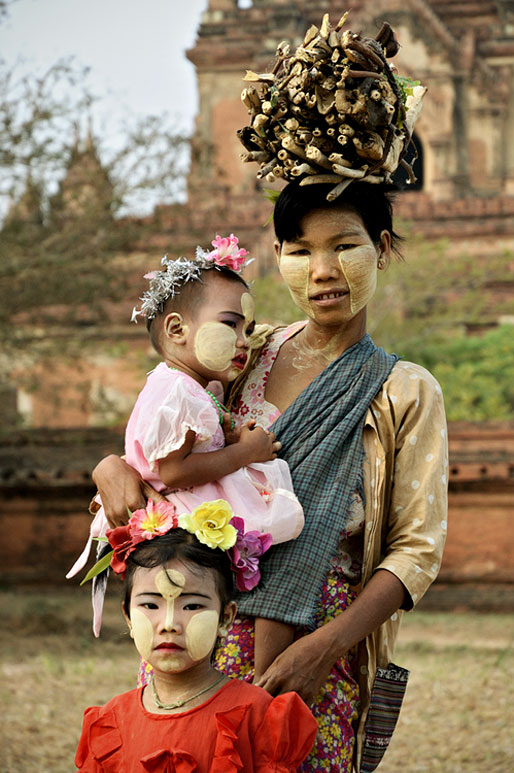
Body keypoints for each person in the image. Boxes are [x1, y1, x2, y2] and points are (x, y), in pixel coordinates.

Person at [91, 15, 448, 772]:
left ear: (381, 249)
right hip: (200, 636)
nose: (321, 271)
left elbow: (417, 551)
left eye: (344, 246)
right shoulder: (241, 357)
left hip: (317, 650)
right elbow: (170, 443)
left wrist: (328, 646)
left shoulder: (404, 391)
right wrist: (112, 469)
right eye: (298, 251)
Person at [70, 234, 303, 678]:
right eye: (231, 325)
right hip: (175, 509)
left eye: (248, 329)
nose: (244, 341)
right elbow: (175, 471)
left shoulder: (194, 386)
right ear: (177, 330)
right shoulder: (178, 392)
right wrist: (245, 452)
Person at [75, 499, 318, 771]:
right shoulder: (111, 722)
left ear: (225, 618)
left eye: (191, 606)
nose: (169, 624)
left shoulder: (256, 714)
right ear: (128, 618)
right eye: (151, 605)